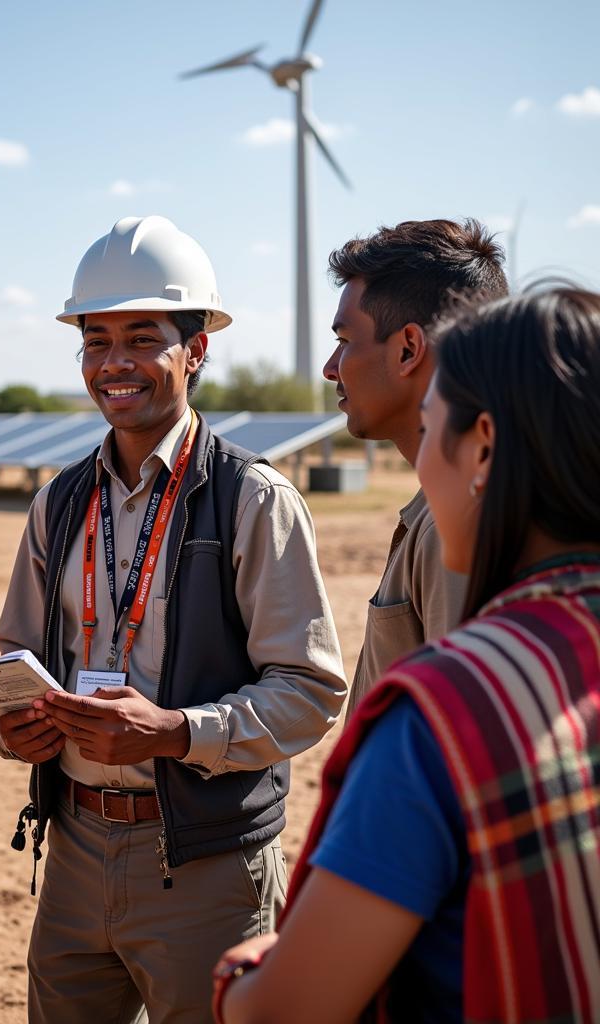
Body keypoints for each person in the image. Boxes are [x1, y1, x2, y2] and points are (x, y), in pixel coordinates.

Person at [0, 215, 347, 1024]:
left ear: (197, 349)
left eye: (142, 338)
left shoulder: (253, 500)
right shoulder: (59, 502)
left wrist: (176, 732)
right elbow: (16, 655)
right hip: (74, 851)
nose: (114, 364)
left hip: (207, 867)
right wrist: (13, 730)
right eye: (96, 340)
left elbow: (312, 691)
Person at [213, 286, 600, 1024]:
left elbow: (291, 1008)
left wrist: (243, 981)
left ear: (481, 448)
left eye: (431, 429)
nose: (423, 460)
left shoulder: (450, 712)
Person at [322, 219, 508, 718]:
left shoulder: (462, 521)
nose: (331, 367)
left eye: (345, 340)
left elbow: (466, 736)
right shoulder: (454, 502)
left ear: (408, 348)